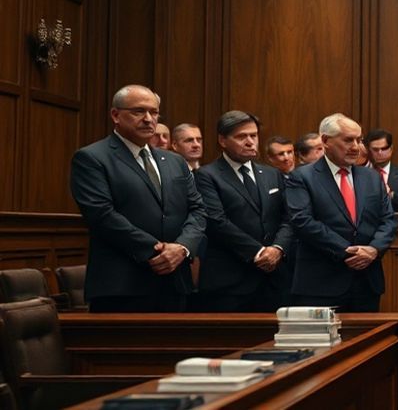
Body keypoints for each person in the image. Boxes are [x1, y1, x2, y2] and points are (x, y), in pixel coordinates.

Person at [69, 85, 206, 312]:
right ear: (115, 115)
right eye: (138, 112)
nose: (148, 119)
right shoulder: (92, 158)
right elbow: (101, 215)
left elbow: (198, 210)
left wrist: (182, 248)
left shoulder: (174, 161)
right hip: (122, 285)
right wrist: (158, 250)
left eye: (154, 112)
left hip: (175, 282)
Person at [285, 114, 398, 312]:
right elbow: (302, 221)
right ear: (326, 140)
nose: (356, 147)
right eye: (348, 140)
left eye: (359, 140)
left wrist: (373, 250)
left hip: (367, 282)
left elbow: (388, 220)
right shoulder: (302, 177)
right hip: (321, 282)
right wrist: (348, 251)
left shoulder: (371, 177)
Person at [194, 111, 294, 312]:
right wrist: (258, 252)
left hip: (274, 279)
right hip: (229, 281)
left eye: (253, 136)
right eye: (241, 137)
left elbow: (289, 218)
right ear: (222, 140)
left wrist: (277, 248)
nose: (250, 142)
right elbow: (216, 221)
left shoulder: (271, 174)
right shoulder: (206, 175)